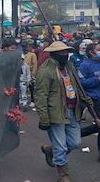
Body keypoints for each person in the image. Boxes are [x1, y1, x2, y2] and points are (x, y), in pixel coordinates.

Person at [35, 41, 93, 181]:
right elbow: (40, 96)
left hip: (73, 110)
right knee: (60, 147)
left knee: (74, 142)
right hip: (55, 113)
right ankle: (63, 175)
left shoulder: (69, 66)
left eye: (66, 52)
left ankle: (50, 149)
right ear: (54, 54)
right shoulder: (45, 71)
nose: (64, 54)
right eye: (61, 53)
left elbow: (77, 85)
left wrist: (86, 100)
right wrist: (44, 118)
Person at [78, 43, 100, 162]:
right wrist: (97, 79)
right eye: (98, 49)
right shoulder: (85, 65)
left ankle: (77, 135)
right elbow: (81, 83)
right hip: (93, 99)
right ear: (91, 52)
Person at [25, 43, 38, 107]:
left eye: (29, 47)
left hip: (31, 74)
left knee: (32, 88)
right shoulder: (27, 54)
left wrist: (33, 74)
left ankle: (33, 101)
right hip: (26, 73)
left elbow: (35, 65)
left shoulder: (33, 55)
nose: (28, 48)